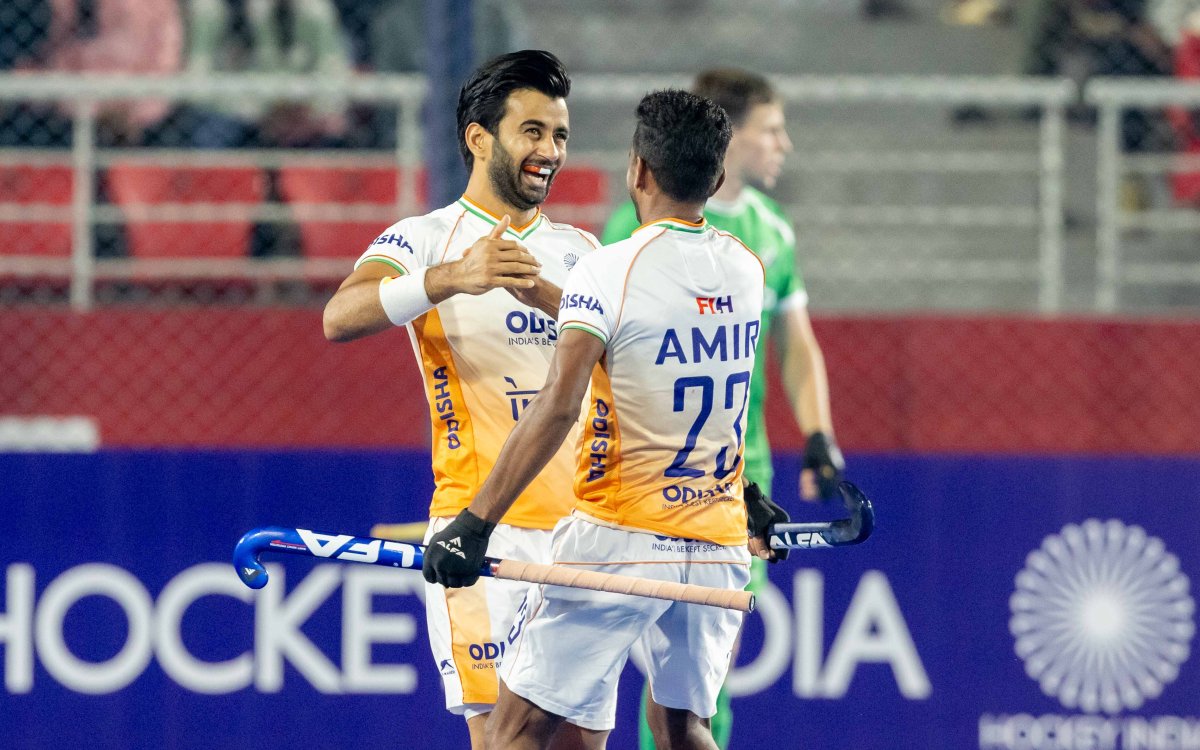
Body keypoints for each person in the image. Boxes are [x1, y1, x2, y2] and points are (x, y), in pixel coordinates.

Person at [424, 88, 786, 750]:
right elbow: (696, 393)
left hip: (621, 540)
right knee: (684, 729)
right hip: (715, 543)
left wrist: (474, 524)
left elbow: (559, 403)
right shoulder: (746, 269)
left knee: (514, 731)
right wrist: (745, 495)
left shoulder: (609, 269)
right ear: (717, 179)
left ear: (638, 170)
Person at [322, 50, 599, 750]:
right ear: (479, 138)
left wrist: (546, 296)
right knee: (502, 742)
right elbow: (339, 317)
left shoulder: (582, 250)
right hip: (480, 534)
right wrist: (452, 277)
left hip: (583, 536)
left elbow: (627, 367)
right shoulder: (424, 239)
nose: (550, 151)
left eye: (559, 135)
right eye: (532, 131)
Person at [601, 67, 843, 750]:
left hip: (739, 475)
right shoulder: (632, 226)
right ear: (729, 138)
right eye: (771, 130)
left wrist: (818, 435)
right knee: (642, 665)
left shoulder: (772, 232)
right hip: (642, 474)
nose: (783, 145)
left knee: (705, 673)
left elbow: (797, 345)